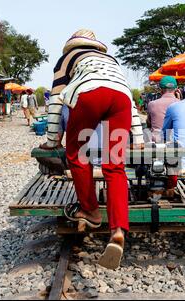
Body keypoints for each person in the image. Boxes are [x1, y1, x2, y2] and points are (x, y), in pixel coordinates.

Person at [38, 29, 144, 270]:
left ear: (72, 43)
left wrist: (53, 140)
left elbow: (56, 99)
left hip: (90, 95)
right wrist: (137, 137)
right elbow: (129, 100)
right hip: (121, 100)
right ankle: (118, 231)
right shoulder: (111, 61)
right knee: (114, 165)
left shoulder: (67, 58)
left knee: (77, 154)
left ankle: (91, 212)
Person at [146, 76, 180, 143]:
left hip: (157, 142)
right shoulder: (181, 104)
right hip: (174, 142)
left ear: (160, 89)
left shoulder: (152, 104)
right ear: (176, 88)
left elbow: (149, 123)